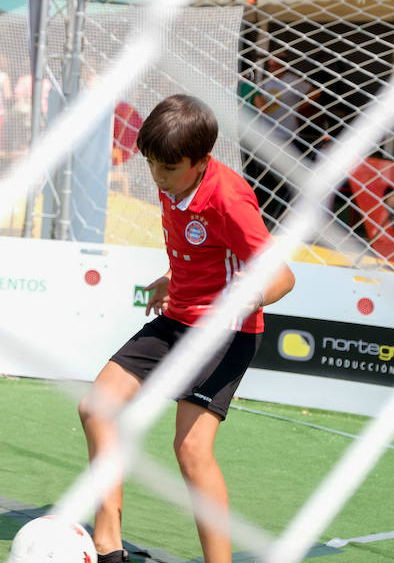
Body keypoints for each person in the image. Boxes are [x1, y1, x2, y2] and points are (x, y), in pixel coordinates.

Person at [78, 95, 296, 563]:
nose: (158, 177)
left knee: (192, 450)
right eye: (152, 165)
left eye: (168, 168)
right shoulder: (173, 176)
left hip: (226, 333)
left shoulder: (229, 200)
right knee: (96, 407)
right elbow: (203, 249)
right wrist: (173, 278)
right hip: (178, 318)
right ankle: (108, 544)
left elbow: (281, 278)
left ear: (201, 162)